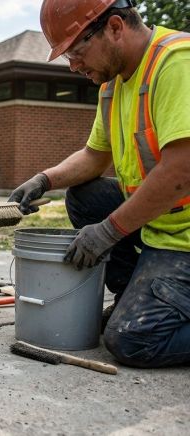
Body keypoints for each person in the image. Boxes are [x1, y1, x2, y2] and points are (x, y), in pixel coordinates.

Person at [10, 0, 190, 367]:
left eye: (77, 51)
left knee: (132, 340)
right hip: (162, 227)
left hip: (184, 239)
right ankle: (133, 296)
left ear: (115, 28)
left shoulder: (176, 63)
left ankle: (149, 314)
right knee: (86, 196)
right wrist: (44, 180)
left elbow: (181, 169)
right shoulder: (112, 86)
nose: (74, 65)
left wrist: (109, 231)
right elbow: (95, 157)